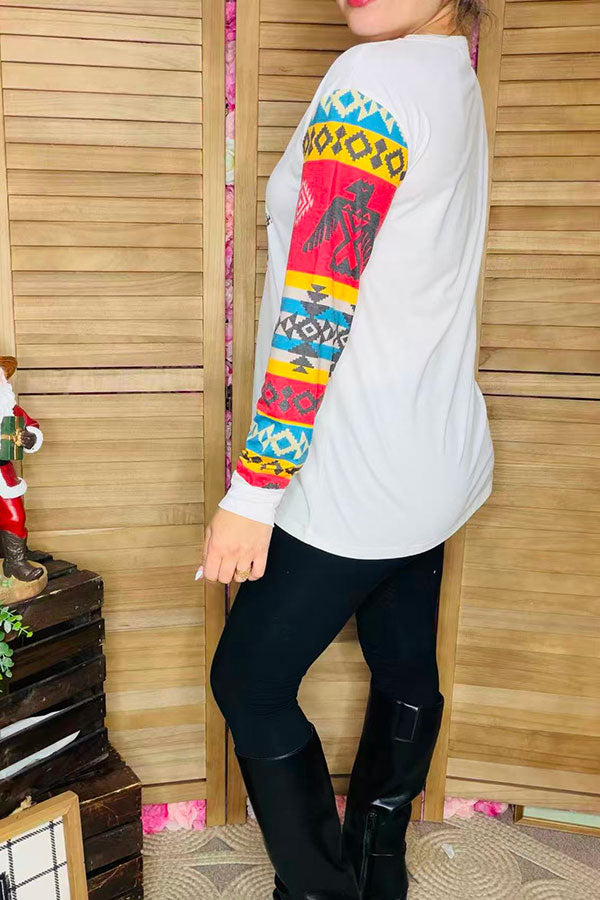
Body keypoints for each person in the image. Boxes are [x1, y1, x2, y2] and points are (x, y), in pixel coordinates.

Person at [203, 1, 493, 897]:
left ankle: (322, 890)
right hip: (437, 461)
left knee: (249, 683)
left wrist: (254, 491)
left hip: (356, 471)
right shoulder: (452, 73)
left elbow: (318, 306)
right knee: (403, 660)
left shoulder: (372, 82)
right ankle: (377, 864)